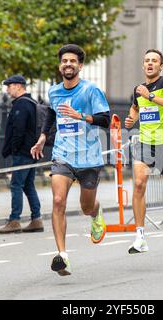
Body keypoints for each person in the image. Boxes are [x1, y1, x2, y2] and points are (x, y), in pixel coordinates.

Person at [31, 44, 110, 276]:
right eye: (64, 61)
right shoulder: (54, 92)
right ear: (60, 65)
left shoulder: (91, 91)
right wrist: (43, 137)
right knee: (57, 201)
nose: (68, 64)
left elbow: (105, 119)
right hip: (62, 155)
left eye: (72, 61)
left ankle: (96, 214)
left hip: (89, 157)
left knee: (86, 207)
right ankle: (62, 256)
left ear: (80, 66)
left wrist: (82, 116)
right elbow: (51, 115)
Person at [124, 49, 163, 254]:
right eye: (147, 60)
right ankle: (140, 236)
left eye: (154, 61)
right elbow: (135, 107)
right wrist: (132, 118)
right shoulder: (137, 90)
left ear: (161, 66)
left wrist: (150, 96)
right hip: (145, 144)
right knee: (139, 184)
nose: (150, 64)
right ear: (143, 65)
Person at [0, 75, 44, 234]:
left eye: (9, 86)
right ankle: (36, 219)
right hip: (32, 151)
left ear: (18, 86)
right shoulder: (31, 102)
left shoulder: (22, 105)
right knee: (28, 185)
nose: (7, 89)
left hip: (23, 152)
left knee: (16, 185)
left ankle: (14, 219)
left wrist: (14, 149)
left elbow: (18, 130)